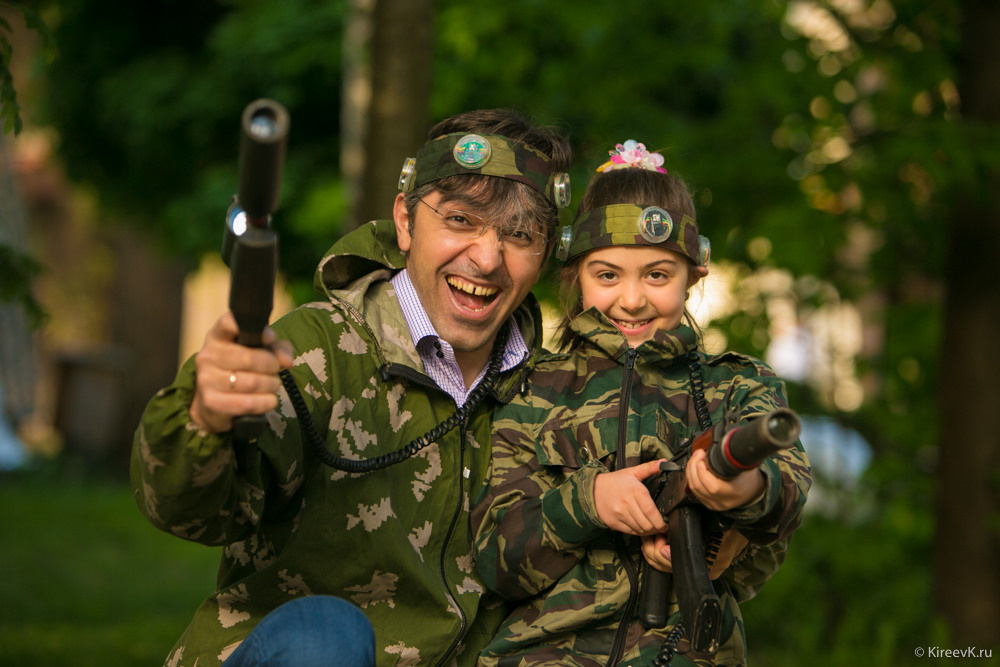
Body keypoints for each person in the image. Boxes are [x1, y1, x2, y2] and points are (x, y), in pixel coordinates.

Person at [130, 109, 573, 666]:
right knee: (326, 636)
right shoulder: (316, 352)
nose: (487, 259)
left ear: (547, 254)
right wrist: (202, 419)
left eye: (520, 236)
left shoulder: (554, 396)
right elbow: (188, 510)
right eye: (460, 220)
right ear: (406, 222)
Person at [472, 140, 812, 666]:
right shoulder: (528, 388)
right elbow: (495, 563)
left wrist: (739, 493)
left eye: (658, 275)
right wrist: (588, 502)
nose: (632, 300)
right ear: (575, 275)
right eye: (607, 275)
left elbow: (787, 494)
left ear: (694, 275)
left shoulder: (738, 387)